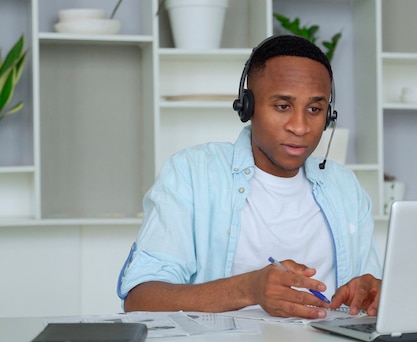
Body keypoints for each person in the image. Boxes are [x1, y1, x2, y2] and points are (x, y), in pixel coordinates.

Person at [117, 35, 382, 320]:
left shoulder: (345, 187)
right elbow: (140, 298)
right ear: (248, 106)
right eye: (283, 106)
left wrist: (373, 292)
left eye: (315, 109)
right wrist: (248, 289)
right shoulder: (192, 173)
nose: (300, 127)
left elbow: (370, 294)